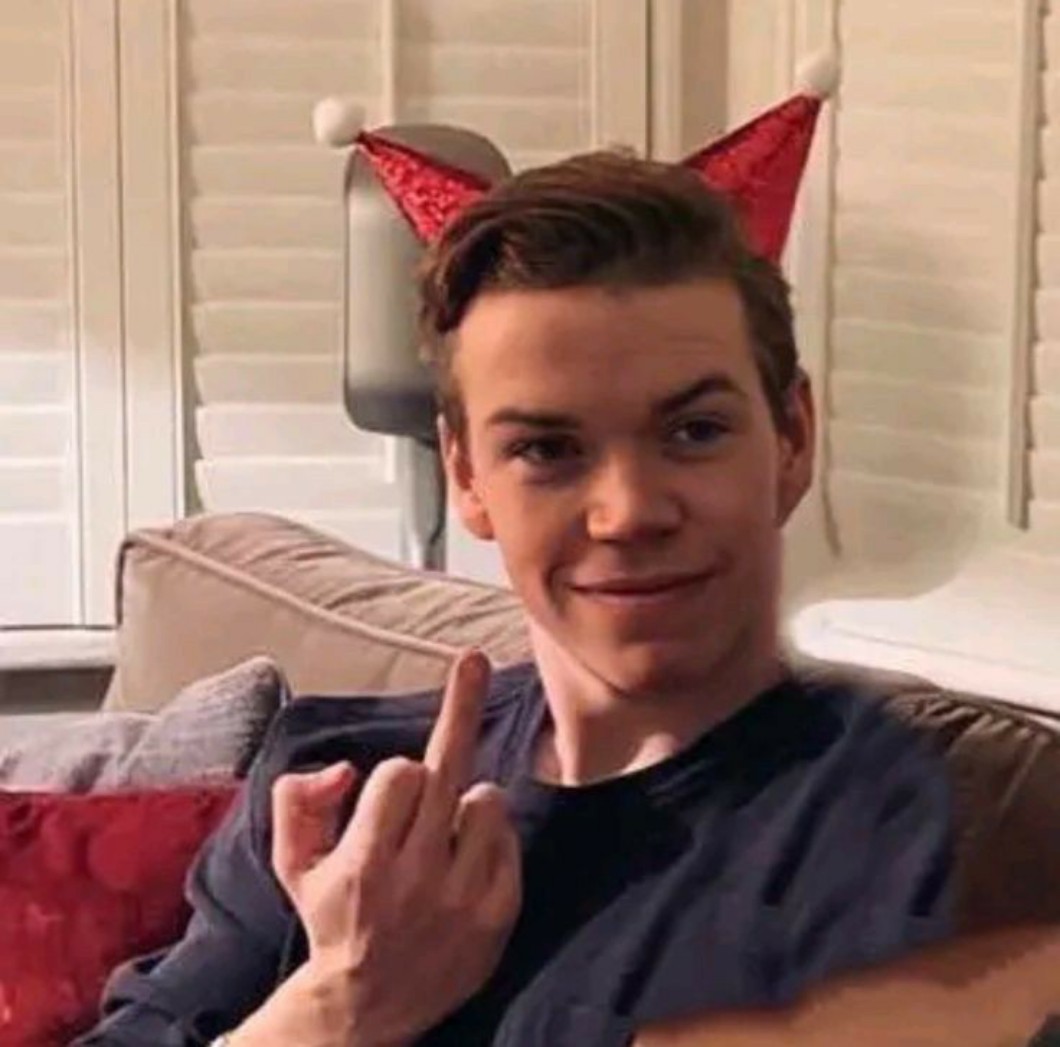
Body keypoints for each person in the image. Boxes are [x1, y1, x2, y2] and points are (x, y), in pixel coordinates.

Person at [76, 152, 1057, 1047]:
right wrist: (338, 1003)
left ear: (791, 438)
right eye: (547, 449)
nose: (628, 512)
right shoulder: (335, 787)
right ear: (467, 475)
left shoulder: (926, 854)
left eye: (695, 431)